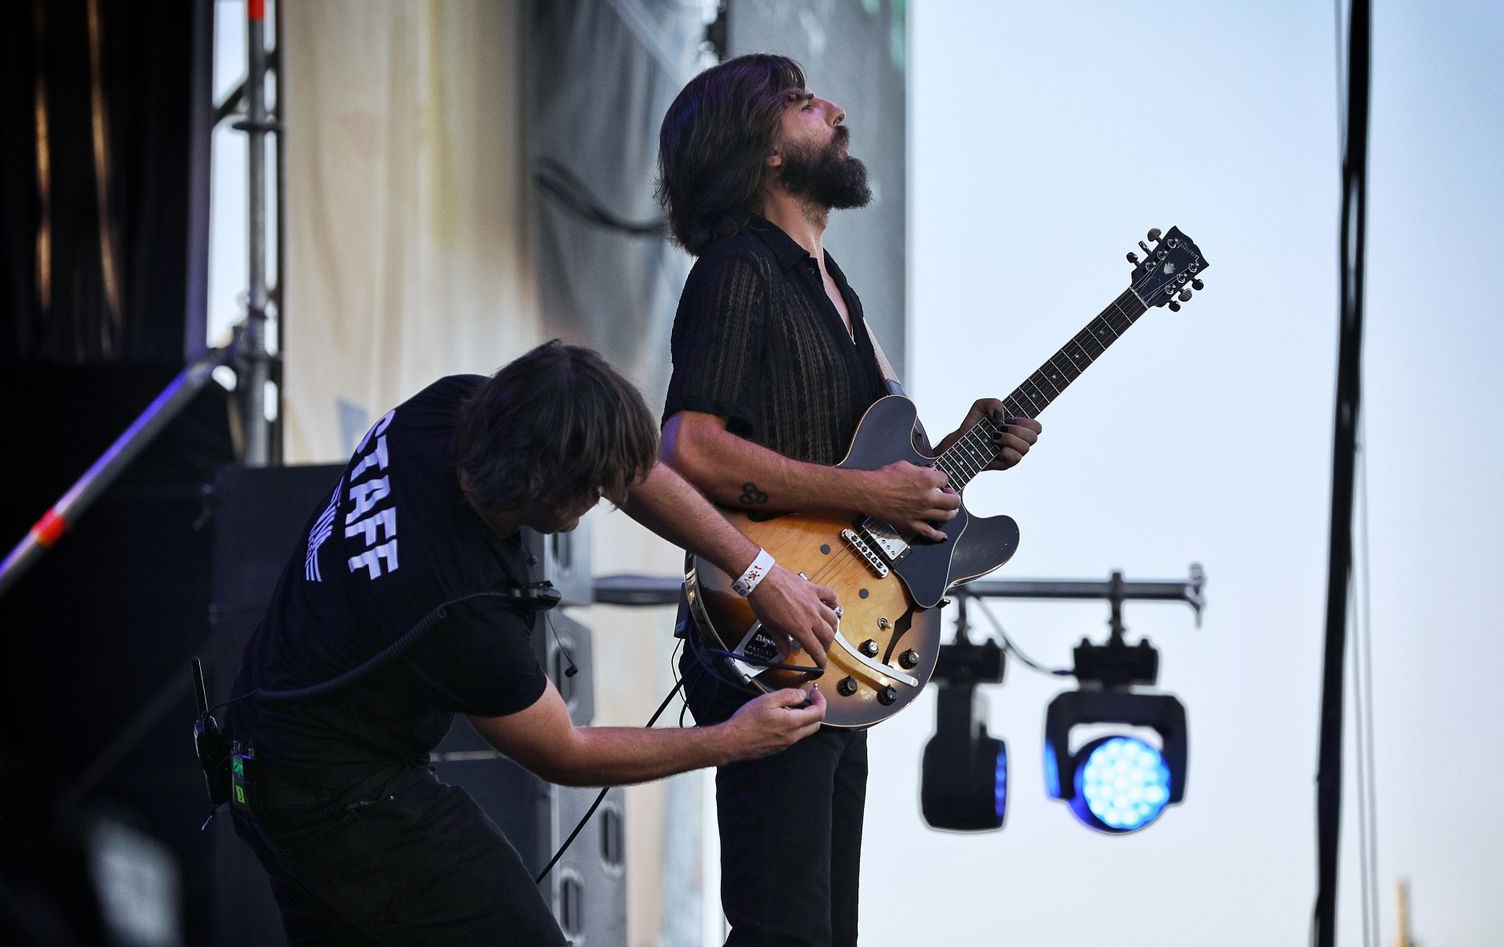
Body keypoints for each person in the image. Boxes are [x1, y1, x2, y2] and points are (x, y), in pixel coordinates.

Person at [225, 340, 844, 945]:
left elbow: (630, 467)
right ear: (552, 495)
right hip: (337, 802)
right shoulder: (461, 611)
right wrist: (732, 740)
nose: (609, 497)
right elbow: (564, 752)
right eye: (598, 491)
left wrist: (757, 570)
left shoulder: (451, 409)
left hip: (266, 754)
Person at [656, 53, 1042, 946]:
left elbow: (867, 496)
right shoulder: (739, 269)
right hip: (766, 627)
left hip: (839, 636)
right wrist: (870, 488)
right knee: (783, 930)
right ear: (766, 156)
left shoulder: (841, 295)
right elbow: (689, 446)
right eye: (799, 103)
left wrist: (965, 448)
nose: (833, 107)